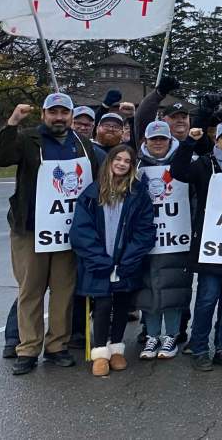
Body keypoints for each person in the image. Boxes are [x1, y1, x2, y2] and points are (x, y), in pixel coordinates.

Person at [0, 94, 101, 375]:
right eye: (53, 112)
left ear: (70, 115)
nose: (58, 118)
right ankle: (28, 349)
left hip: (68, 232)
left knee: (64, 291)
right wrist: (12, 123)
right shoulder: (29, 139)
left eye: (63, 112)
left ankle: (57, 346)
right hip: (31, 229)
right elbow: (1, 157)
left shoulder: (83, 144)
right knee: (31, 290)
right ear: (43, 115)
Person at [171, 122, 222, 371]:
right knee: (207, 299)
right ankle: (199, 349)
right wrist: (188, 143)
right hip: (211, 244)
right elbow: (179, 172)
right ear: (216, 141)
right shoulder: (205, 164)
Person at [70, 145, 156, 376]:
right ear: (109, 161)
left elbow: (145, 231)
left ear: (131, 167)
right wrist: (101, 260)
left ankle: (117, 349)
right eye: (118, 159)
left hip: (125, 262)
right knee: (102, 304)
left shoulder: (138, 194)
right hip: (100, 262)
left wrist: (127, 260)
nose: (121, 163)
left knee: (121, 304)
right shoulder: (91, 193)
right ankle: (100, 352)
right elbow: (81, 231)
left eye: (127, 161)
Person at [133, 121, 192, 360]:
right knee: (148, 289)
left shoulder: (183, 162)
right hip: (145, 241)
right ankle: (152, 335)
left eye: (162, 139)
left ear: (170, 140)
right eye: (153, 138)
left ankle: (171, 336)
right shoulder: (136, 166)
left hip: (176, 237)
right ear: (145, 141)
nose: (158, 143)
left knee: (174, 289)